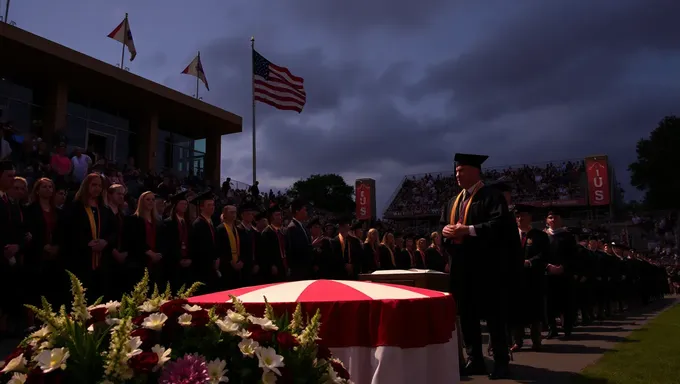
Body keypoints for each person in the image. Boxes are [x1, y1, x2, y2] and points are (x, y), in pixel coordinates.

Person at [440, 153, 512, 379]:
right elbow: (442, 226)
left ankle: (501, 361)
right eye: (456, 171)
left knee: (494, 316)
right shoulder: (452, 202)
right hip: (461, 267)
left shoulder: (492, 197)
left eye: (461, 170)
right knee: (467, 315)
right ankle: (475, 359)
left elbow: (499, 226)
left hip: (487, 267)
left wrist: (468, 230)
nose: (457, 174)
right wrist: (444, 232)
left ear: (475, 171)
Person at [63, 173, 117, 300]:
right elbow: (67, 231)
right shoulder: (75, 207)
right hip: (81, 260)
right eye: (94, 185)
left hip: (102, 262)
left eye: (99, 186)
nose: (97, 188)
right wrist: (86, 243)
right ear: (86, 186)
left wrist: (105, 242)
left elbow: (114, 231)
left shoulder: (105, 209)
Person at [510, 204, 549, 352]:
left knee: (535, 311)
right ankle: (517, 341)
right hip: (516, 280)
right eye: (517, 216)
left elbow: (544, 255)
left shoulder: (540, 236)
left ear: (530, 217)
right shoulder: (511, 236)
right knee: (516, 312)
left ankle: (536, 340)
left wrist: (530, 262)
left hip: (533, 279)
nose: (520, 219)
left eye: (523, 216)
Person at [129, 191, 165, 288]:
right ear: (141, 202)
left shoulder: (158, 222)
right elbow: (133, 241)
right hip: (140, 261)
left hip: (156, 263)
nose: (151, 202)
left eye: (153, 200)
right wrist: (149, 253)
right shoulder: (133, 220)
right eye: (148, 199)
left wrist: (158, 254)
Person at [161, 191, 195, 290]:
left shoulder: (189, 223)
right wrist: (179, 259)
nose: (185, 206)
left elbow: (192, 243)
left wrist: (189, 258)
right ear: (175, 205)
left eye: (186, 204)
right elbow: (168, 244)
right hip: (174, 263)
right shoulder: (168, 223)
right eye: (182, 204)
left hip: (188, 262)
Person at [190, 191, 219, 292]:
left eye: (213, 205)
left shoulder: (211, 223)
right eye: (209, 205)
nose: (212, 207)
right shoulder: (198, 224)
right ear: (201, 207)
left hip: (211, 265)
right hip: (202, 267)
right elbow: (198, 247)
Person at [216, 204, 244, 289]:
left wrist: (241, 260)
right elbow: (221, 248)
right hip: (226, 266)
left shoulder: (237, 229)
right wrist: (230, 261)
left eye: (235, 212)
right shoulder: (220, 229)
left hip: (238, 264)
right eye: (231, 212)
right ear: (224, 214)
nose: (234, 214)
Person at [237, 199, 262, 286]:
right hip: (242, 266)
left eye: (252, 214)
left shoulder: (255, 232)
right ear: (242, 216)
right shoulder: (238, 230)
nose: (251, 216)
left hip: (254, 265)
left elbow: (259, 250)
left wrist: (257, 263)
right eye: (248, 214)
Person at [260, 204, 288, 282]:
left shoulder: (282, 232)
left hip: (284, 264)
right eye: (277, 215)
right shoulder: (266, 233)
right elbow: (265, 253)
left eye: (280, 215)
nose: (280, 217)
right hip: (274, 266)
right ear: (271, 217)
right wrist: (271, 265)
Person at [285, 199, 312, 280]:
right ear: (297, 211)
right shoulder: (292, 227)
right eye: (304, 209)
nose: (306, 212)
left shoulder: (302, 227)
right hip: (298, 269)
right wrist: (311, 245)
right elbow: (293, 249)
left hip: (306, 268)